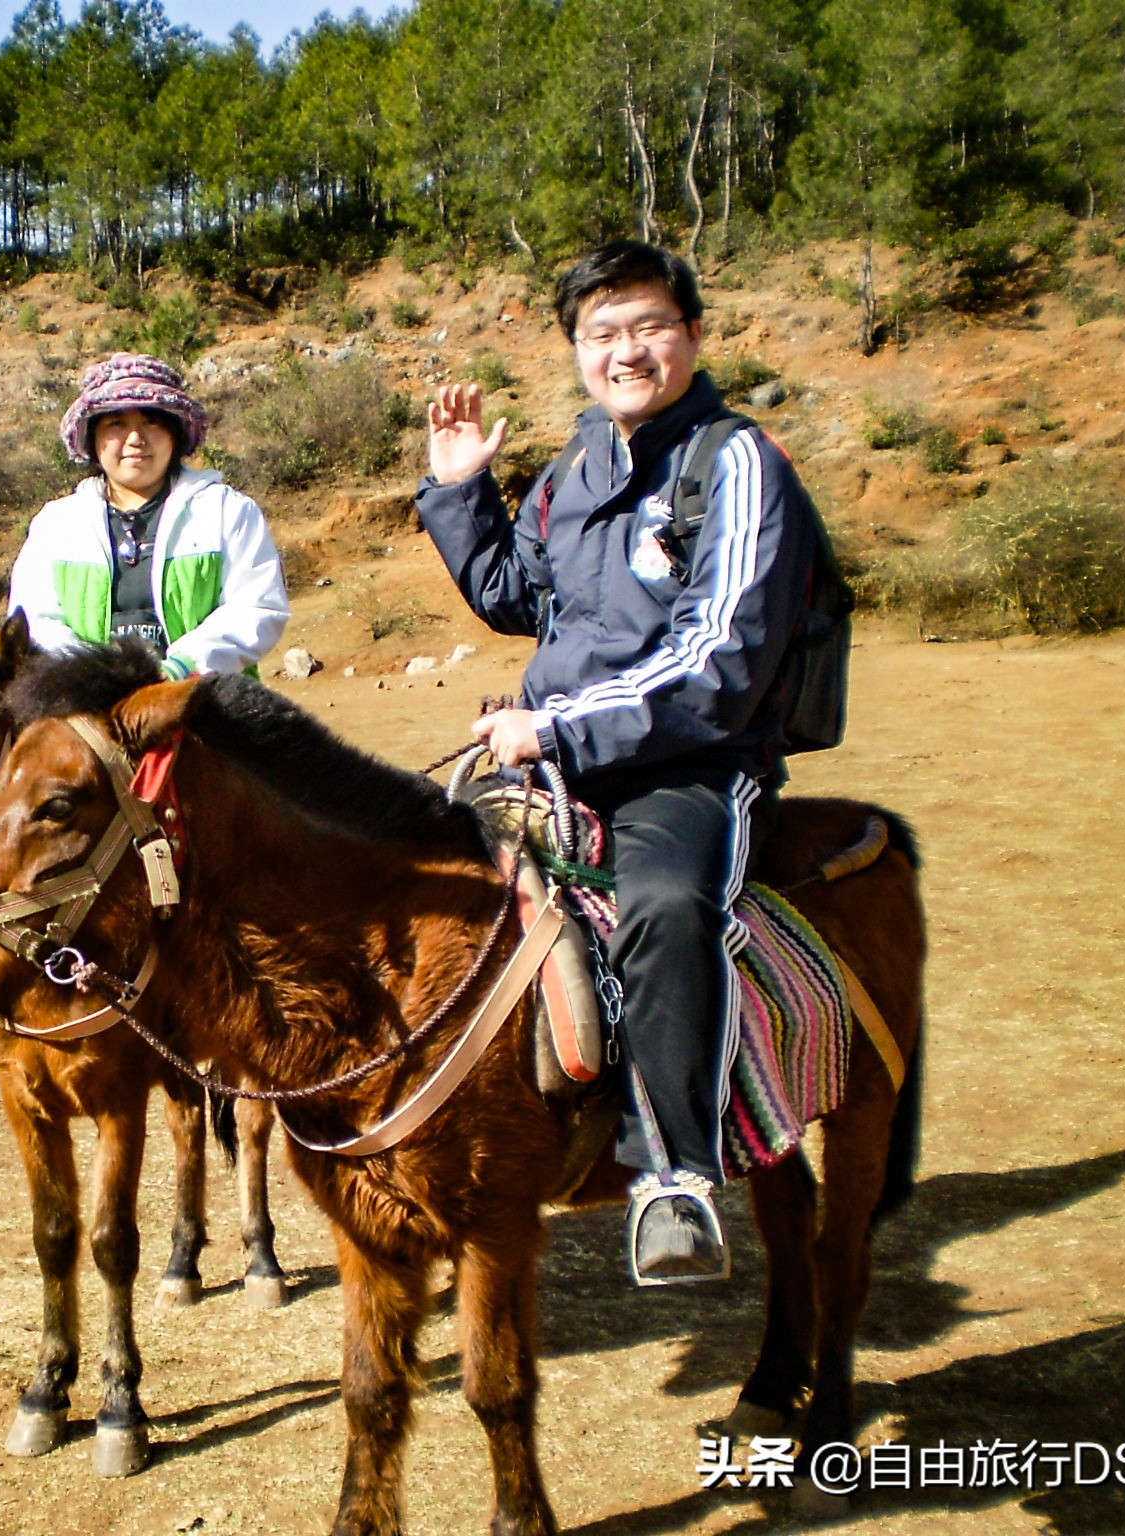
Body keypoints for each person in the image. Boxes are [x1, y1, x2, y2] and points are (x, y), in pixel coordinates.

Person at [415, 240, 818, 1282]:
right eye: (601, 334)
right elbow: (515, 596)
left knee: (664, 907)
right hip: (551, 755)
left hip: (686, 764)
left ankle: (672, 1176)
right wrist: (462, 492)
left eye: (647, 326)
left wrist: (552, 728)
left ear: (690, 335)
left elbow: (717, 659)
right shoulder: (573, 469)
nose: (625, 350)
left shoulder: (734, 463)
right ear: (576, 352)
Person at [0, 351, 290, 1091]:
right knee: (10, 859)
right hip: (81, 724)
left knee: (261, 864)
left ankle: (266, 1027)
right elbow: (34, 619)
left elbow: (258, 609)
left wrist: (175, 670)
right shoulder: (56, 526)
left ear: (178, 431)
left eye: (150, 422)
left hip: (203, 712)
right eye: (116, 424)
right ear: (92, 437)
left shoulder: (227, 511)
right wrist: (99, 686)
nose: (134, 438)